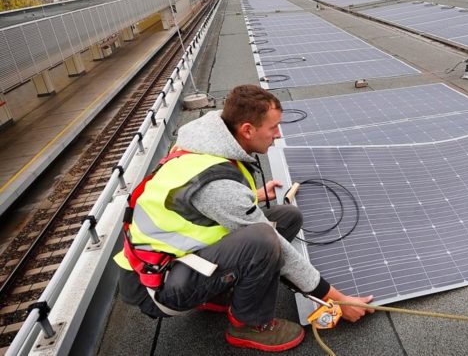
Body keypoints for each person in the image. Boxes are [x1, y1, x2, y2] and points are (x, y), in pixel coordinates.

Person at [114, 85, 373, 352]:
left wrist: (256, 196)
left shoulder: (210, 139)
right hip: (157, 284)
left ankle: (219, 290)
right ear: (247, 130)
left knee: (287, 216)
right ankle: (249, 325)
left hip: (176, 261)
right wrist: (337, 298)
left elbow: (205, 206)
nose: (278, 134)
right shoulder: (218, 187)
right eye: (273, 127)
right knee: (263, 238)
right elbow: (226, 201)